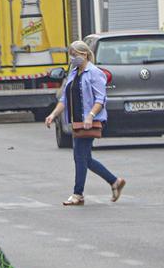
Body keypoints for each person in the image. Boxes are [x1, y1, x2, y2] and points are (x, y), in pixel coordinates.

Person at [45, 40, 125, 206]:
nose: (73, 58)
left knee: (80, 157)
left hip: (89, 121)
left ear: (85, 54)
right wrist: (53, 115)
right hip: (77, 122)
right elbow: (64, 99)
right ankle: (114, 181)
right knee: (84, 158)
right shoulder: (74, 73)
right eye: (71, 55)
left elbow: (100, 98)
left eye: (76, 55)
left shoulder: (95, 73)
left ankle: (78, 194)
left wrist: (90, 115)